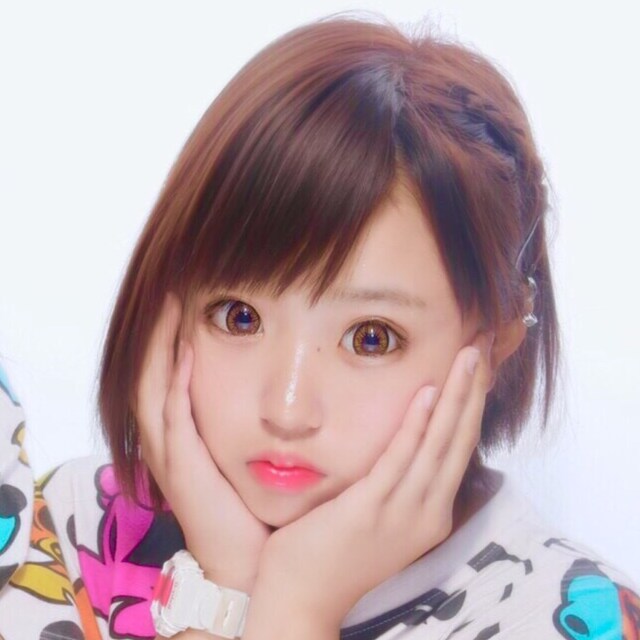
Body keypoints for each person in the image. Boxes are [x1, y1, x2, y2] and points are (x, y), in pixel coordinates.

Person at [0, 13, 638, 640]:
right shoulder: (62, 533)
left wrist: (296, 608)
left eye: (371, 338)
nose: (287, 409)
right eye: (240, 318)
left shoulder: (571, 615)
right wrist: (222, 587)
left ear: (495, 344)